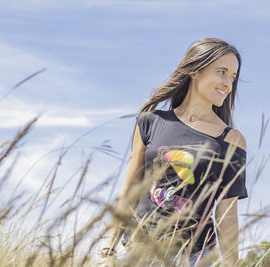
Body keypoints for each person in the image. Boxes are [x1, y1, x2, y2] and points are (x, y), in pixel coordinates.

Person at [99, 37, 248, 267]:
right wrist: (108, 250)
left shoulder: (231, 140)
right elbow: (130, 190)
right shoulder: (151, 121)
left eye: (233, 77)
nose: (228, 83)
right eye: (222, 72)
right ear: (195, 71)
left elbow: (227, 214)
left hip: (192, 257)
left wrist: (233, 264)